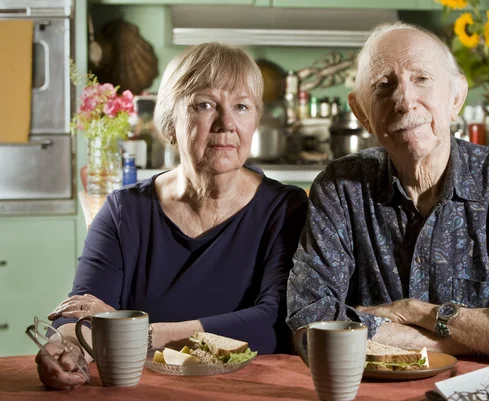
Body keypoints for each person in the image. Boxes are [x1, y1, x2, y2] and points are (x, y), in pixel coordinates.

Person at [286, 21, 489, 363]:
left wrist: (415, 312)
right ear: (361, 113)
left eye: (422, 79)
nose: (404, 100)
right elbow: (312, 327)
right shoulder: (340, 188)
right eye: (383, 86)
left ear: (456, 97)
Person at [36, 43, 308, 390]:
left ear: (254, 121)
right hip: (144, 393)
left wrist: (136, 333)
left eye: (241, 106)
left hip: (251, 392)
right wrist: (67, 349)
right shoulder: (125, 211)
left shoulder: (286, 209)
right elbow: (85, 313)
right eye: (205, 104)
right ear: (169, 123)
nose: (226, 123)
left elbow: (274, 323)